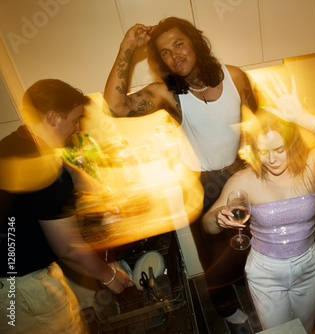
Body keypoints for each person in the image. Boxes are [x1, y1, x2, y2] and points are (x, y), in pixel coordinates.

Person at [103, 17, 257, 326]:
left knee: (247, 238)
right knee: (212, 251)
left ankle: (245, 282)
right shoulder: (169, 94)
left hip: (237, 172)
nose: (175, 56)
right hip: (201, 181)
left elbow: (256, 119)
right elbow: (115, 105)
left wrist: (256, 159)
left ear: (195, 42)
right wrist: (127, 48)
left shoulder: (236, 77)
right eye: (165, 52)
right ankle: (224, 305)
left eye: (179, 44)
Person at [203, 74, 315, 333]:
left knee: (305, 326)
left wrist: (302, 117)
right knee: (278, 331)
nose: (271, 160)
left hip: (307, 264)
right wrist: (218, 216)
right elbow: (208, 225)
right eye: (263, 151)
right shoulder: (245, 180)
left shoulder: (312, 168)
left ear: (292, 144)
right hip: (266, 272)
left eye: (279, 149)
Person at [0, 79, 132, 334]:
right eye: (74, 119)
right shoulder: (43, 170)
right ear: (52, 117)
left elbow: (61, 166)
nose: (77, 127)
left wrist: (93, 186)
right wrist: (110, 277)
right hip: (26, 287)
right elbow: (68, 247)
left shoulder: (13, 143)